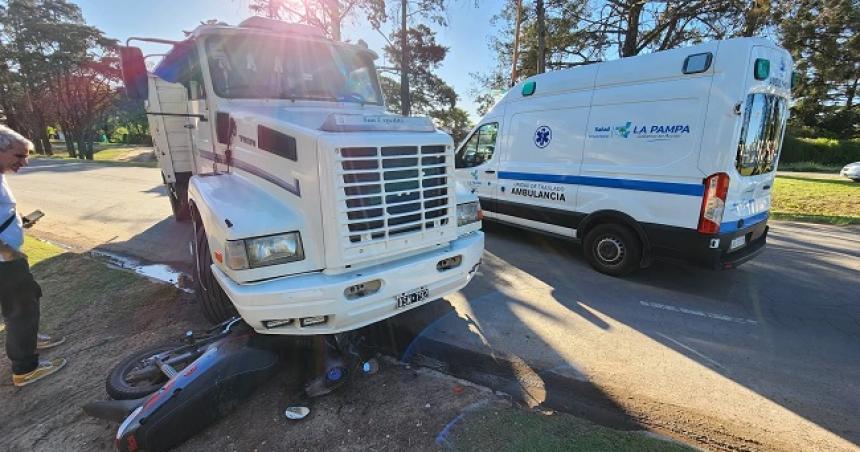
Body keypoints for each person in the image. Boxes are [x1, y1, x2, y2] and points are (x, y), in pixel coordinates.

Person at [0, 124, 66, 387]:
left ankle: (28, 339)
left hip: (7, 257)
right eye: (19, 156)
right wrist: (8, 251)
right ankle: (25, 369)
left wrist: (19, 223)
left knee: (22, 302)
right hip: (5, 261)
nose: (24, 162)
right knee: (21, 308)